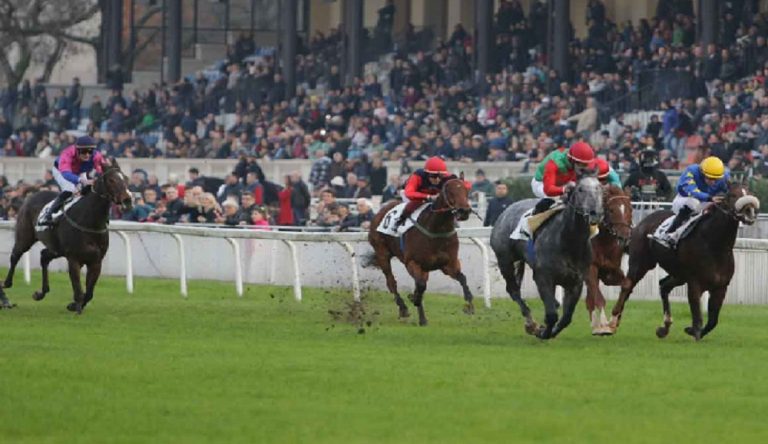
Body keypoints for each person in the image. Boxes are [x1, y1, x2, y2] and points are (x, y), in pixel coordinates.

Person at [659, 156, 729, 248]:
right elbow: (692, 190)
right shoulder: (691, 171)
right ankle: (671, 233)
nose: (713, 182)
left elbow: (729, 191)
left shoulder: (724, 176)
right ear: (702, 173)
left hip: (708, 201)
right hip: (685, 199)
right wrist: (709, 198)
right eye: (709, 178)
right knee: (693, 203)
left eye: (716, 179)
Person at [40, 135, 107, 225]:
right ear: (77, 150)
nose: (87, 155)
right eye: (84, 152)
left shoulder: (96, 156)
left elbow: (103, 170)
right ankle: (48, 214)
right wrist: (82, 180)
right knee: (70, 189)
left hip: (80, 171)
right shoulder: (67, 154)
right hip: (61, 171)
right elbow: (66, 174)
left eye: (90, 151)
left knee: (90, 190)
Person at [531, 142, 596, 213]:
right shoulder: (554, 163)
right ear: (572, 161)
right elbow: (548, 190)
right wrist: (564, 189)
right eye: (582, 165)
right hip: (542, 184)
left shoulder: (579, 160)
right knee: (553, 198)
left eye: (586, 164)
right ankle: (535, 214)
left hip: (564, 182)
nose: (585, 167)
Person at [394, 156, 451, 228]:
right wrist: (428, 197)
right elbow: (409, 193)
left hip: (431, 196)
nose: (437, 180)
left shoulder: (446, 177)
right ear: (427, 174)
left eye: (440, 176)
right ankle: (400, 221)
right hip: (412, 196)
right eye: (434, 176)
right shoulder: (417, 176)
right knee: (413, 204)